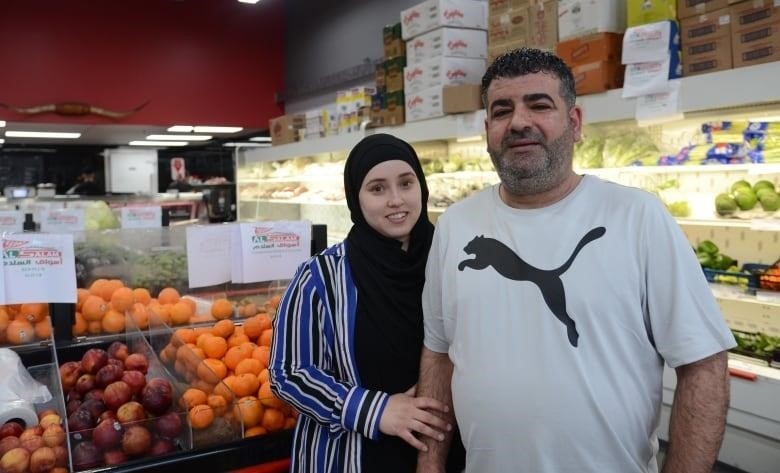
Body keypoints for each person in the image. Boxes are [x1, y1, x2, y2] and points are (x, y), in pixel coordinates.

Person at [416, 48, 736, 473]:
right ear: (487, 129)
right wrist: (430, 465)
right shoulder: (455, 225)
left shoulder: (638, 217)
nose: (519, 122)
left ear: (575, 123)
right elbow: (438, 354)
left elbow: (704, 365)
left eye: (540, 104)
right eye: (502, 109)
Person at [269, 133, 465, 473]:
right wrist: (375, 409)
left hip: (447, 455)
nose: (396, 200)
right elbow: (288, 373)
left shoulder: (451, 264)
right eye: (377, 188)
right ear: (354, 198)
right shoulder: (321, 277)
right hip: (351, 457)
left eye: (406, 183)